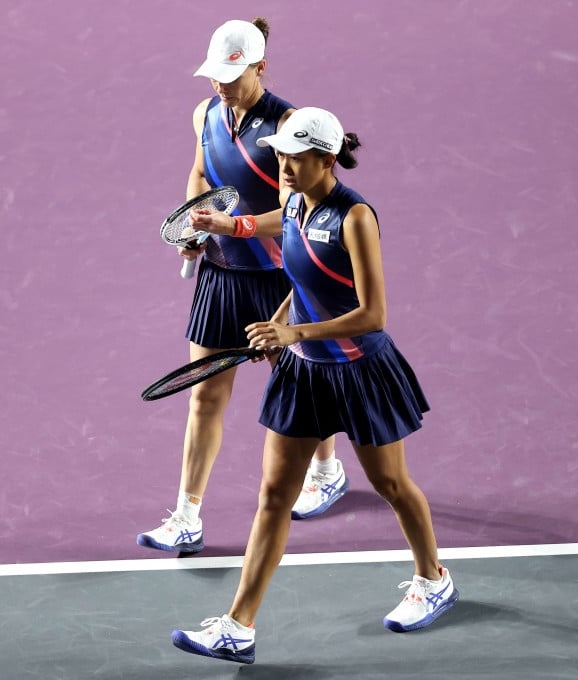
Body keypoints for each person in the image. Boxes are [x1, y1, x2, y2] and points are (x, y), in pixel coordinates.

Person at [170, 107, 458, 664]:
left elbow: (374, 313)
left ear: (326, 160)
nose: (282, 166)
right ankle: (238, 626)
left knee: (392, 484)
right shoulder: (296, 204)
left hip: (360, 372)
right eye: (279, 155)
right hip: (305, 372)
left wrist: (293, 329)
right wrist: (277, 328)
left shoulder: (355, 218)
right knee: (274, 496)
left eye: (294, 158)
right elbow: (297, 276)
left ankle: (434, 577)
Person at [137, 20, 348, 555]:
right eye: (214, 75)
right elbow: (202, 175)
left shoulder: (289, 125)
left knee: (301, 389)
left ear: (262, 67)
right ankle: (186, 516)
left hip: (279, 278)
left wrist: (234, 227)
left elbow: (299, 209)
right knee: (205, 393)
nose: (221, 85)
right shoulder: (204, 113)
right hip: (221, 275)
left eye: (233, 75)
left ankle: (326, 470)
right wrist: (194, 223)